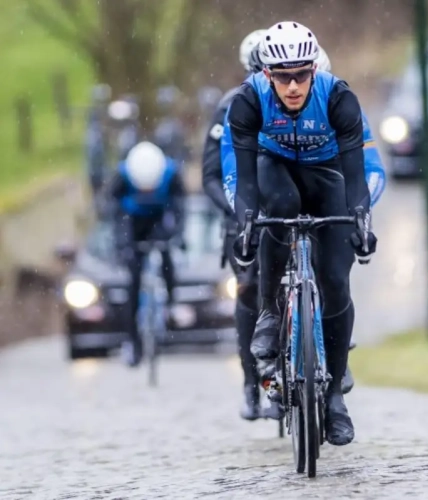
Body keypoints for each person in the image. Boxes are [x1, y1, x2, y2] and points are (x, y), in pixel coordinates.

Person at [228, 21, 378, 446]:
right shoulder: (247, 101)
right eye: (282, 77)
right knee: (278, 207)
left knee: (335, 279)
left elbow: (354, 177)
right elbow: (245, 183)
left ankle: (333, 400)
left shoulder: (338, 98)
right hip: (274, 169)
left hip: (328, 172)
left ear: (314, 69)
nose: (292, 86)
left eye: (301, 75)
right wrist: (246, 224)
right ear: (266, 75)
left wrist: (361, 221)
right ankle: (271, 311)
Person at [202, 28, 282, 421]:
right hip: (243, 214)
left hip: (284, 208)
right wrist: (237, 211)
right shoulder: (231, 106)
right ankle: (254, 383)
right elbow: (212, 175)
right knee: (249, 290)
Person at [104, 141, 186, 368]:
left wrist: (176, 236)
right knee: (133, 279)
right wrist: (123, 245)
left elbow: (180, 209)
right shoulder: (121, 177)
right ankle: (133, 341)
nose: (147, 190)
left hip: (159, 218)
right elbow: (114, 213)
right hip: (132, 222)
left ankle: (170, 304)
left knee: (167, 259)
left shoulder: (171, 174)